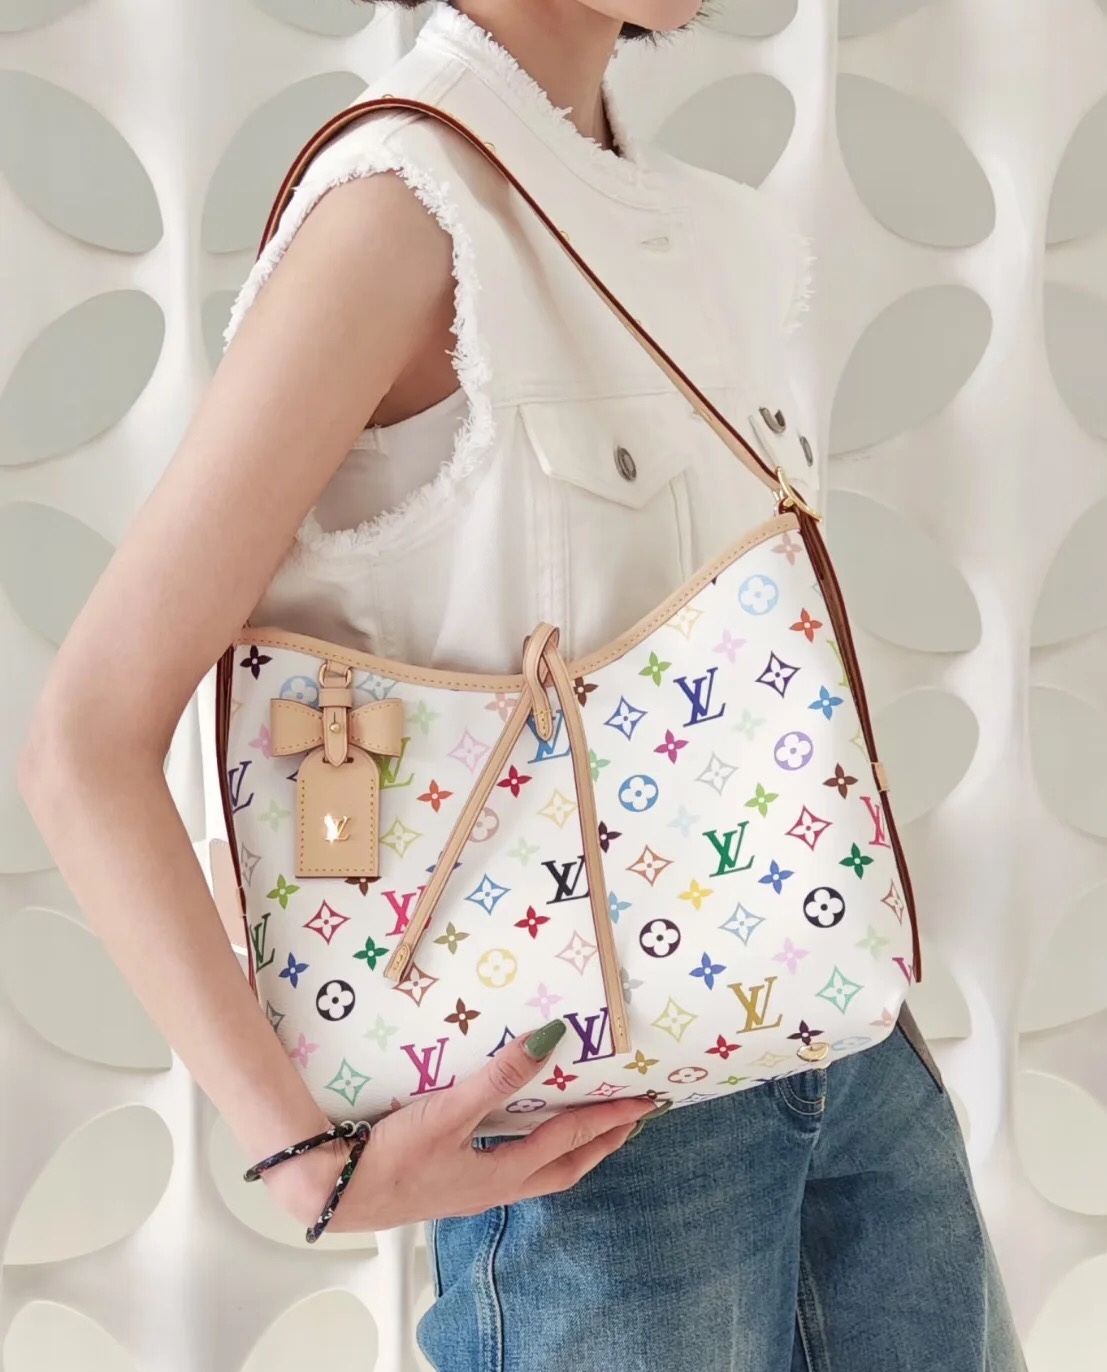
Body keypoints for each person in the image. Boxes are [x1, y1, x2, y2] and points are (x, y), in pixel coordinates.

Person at [16, 2, 1028, 1369]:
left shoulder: (696, 226)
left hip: (848, 1047)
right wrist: (300, 1159)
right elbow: (84, 743)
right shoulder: (400, 211)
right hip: (589, 1142)